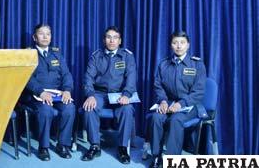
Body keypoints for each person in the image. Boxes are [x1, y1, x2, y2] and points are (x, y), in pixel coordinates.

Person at [148, 31, 206, 168]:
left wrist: (181, 104)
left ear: (188, 45)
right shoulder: (164, 64)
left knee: (176, 120)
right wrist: (162, 100)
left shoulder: (197, 65)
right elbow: (158, 86)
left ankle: (173, 161)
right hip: (167, 103)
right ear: (171, 45)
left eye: (182, 43)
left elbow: (198, 92)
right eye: (175, 43)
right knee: (156, 118)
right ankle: (156, 157)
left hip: (190, 105)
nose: (178, 46)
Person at [81, 26, 136, 164]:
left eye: (115, 37)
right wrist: (90, 94)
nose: (112, 40)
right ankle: (95, 145)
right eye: (108, 37)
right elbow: (88, 78)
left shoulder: (127, 56)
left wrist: (126, 94)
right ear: (104, 40)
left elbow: (131, 79)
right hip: (99, 93)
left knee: (127, 109)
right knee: (89, 107)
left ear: (120, 41)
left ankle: (123, 148)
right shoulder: (96, 56)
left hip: (119, 95)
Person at [23, 24, 75, 161]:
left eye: (48, 34)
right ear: (35, 37)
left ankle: (62, 145)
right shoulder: (29, 54)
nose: (45, 37)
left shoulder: (57, 54)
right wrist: (40, 92)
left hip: (57, 94)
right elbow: (26, 77)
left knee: (69, 108)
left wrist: (67, 90)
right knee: (46, 110)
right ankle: (43, 147)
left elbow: (67, 75)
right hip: (37, 95)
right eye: (41, 34)